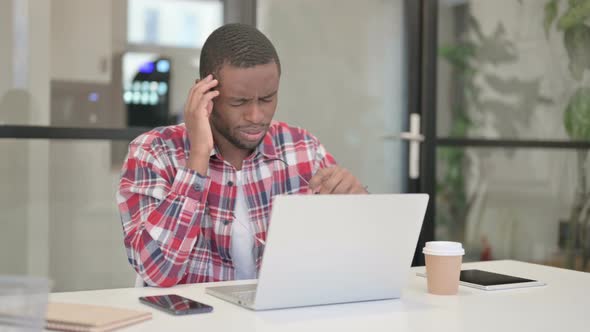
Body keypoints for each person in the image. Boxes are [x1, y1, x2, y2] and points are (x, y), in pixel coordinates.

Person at [117, 23, 367, 287]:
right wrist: (199, 156)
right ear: (204, 93)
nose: (257, 116)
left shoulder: (302, 147)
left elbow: (355, 256)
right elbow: (157, 272)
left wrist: (358, 204)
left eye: (268, 99)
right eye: (239, 102)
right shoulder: (152, 152)